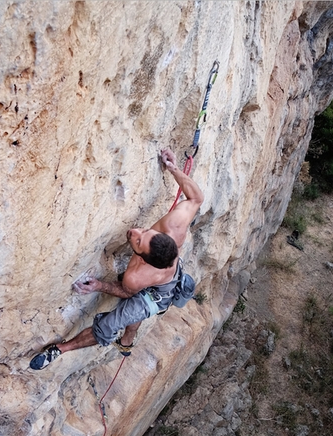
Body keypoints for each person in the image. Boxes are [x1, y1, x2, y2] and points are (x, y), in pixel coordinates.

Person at [29, 147, 203, 370]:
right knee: (134, 314)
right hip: (168, 274)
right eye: (146, 231)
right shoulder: (174, 225)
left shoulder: (135, 277)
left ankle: (61, 349)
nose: (135, 232)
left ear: (143, 258)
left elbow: (127, 292)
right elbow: (197, 197)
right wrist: (174, 168)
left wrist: (99, 285)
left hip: (157, 295)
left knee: (114, 322)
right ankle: (128, 340)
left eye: (138, 242)